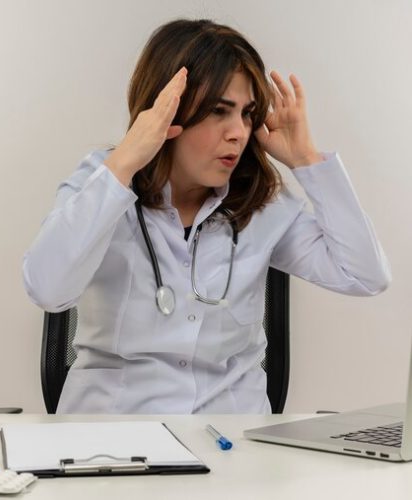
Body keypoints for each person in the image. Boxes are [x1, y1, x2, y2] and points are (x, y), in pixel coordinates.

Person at [23, 19, 391, 414]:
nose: (239, 133)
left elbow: (365, 276)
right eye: (219, 111)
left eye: (248, 114)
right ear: (167, 113)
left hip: (234, 440)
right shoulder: (104, 182)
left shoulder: (262, 203)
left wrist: (307, 161)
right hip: (114, 438)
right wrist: (125, 162)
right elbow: (46, 289)